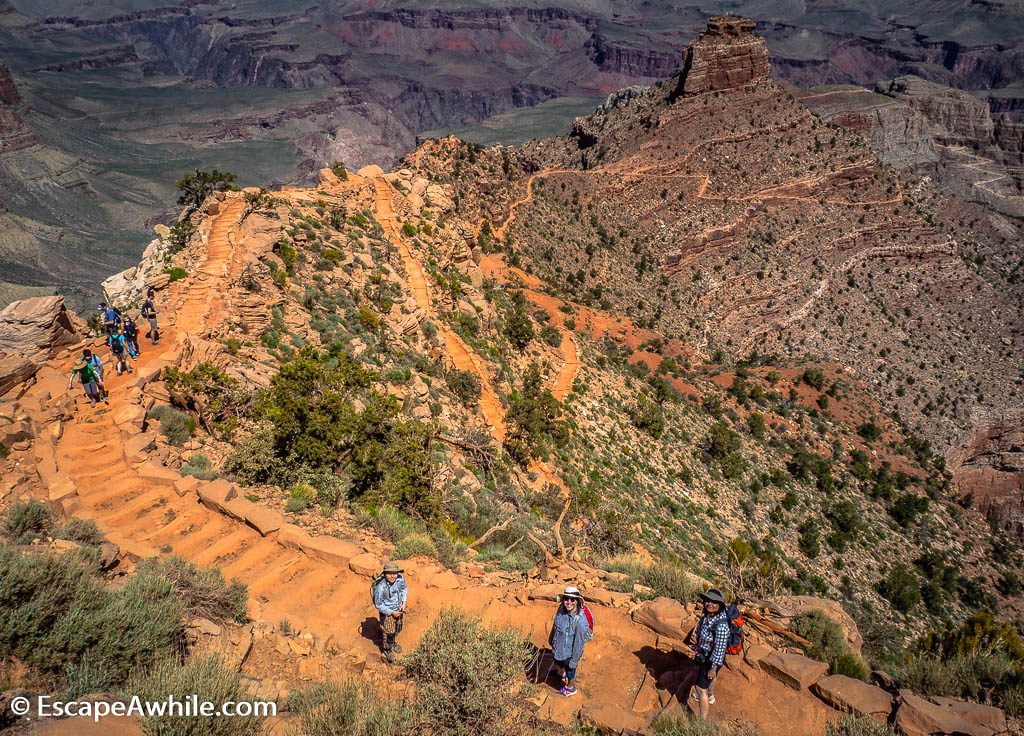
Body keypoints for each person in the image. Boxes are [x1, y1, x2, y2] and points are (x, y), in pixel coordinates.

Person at [688, 588, 730, 719]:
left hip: (712, 659)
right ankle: (710, 695)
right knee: (711, 678)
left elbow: (720, 648)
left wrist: (713, 667)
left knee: (700, 689)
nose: (709, 604)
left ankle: (702, 721)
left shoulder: (721, 625)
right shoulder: (708, 616)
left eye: (714, 602)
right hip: (705, 654)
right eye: (707, 600)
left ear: (720, 605)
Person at [548, 586, 591, 697]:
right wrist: (551, 637)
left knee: (570, 669)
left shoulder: (580, 622)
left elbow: (578, 644)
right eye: (566, 598)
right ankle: (561, 673)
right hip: (558, 645)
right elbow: (555, 624)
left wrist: (574, 660)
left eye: (572, 600)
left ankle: (571, 688)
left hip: (569, 652)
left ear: (577, 601)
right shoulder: (561, 609)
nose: (569, 602)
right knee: (557, 660)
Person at [372, 561, 407, 663]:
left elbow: (404, 589)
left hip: (399, 609)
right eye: (389, 573)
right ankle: (387, 649)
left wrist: (404, 602)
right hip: (387, 611)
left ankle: (393, 642)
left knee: (398, 627)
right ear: (385, 574)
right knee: (389, 632)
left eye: (394, 573)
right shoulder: (381, 587)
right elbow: (378, 604)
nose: (392, 576)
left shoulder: (400, 579)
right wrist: (391, 612)